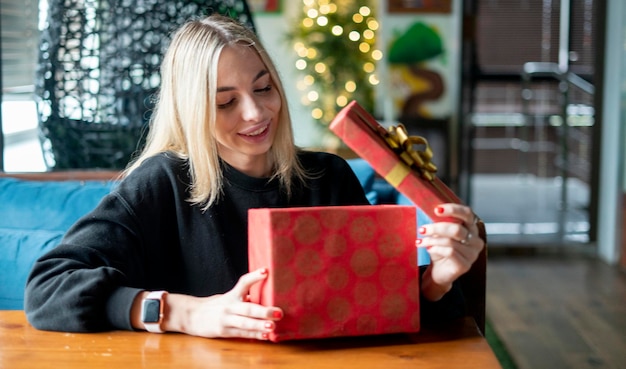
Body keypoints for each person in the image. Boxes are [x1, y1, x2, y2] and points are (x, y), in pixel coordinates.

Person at [24, 14, 485, 340]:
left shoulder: (328, 177)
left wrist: (437, 280)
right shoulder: (161, 183)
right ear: (193, 110)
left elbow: (379, 306)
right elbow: (47, 288)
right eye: (226, 102)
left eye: (263, 87)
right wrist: (184, 313)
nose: (256, 112)